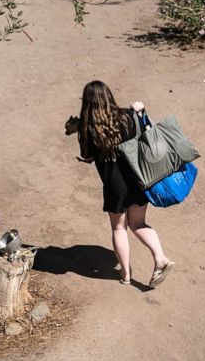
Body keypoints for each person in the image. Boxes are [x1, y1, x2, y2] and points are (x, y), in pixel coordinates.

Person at [75, 80, 175, 288]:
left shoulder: (87, 129)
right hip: (138, 179)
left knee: (119, 228)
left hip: (114, 185)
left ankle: (126, 274)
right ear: (109, 97)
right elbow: (144, 134)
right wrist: (139, 112)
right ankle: (160, 258)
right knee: (139, 224)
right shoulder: (128, 117)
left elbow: (87, 155)